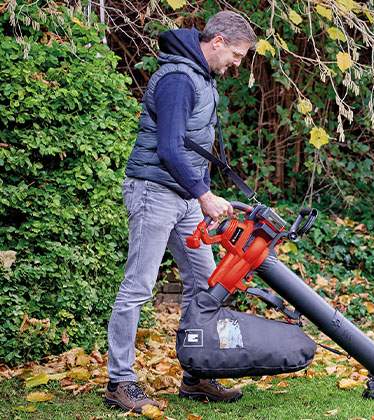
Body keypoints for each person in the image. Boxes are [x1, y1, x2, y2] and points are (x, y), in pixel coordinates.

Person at [104, 11, 256, 412]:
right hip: (155, 191)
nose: (237, 65)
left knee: (205, 285)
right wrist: (204, 195)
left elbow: (189, 147)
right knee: (137, 287)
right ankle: (119, 380)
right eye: (237, 55)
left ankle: (197, 374)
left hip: (183, 196)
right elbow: (170, 148)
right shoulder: (177, 79)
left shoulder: (201, 77)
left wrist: (198, 193)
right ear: (218, 41)